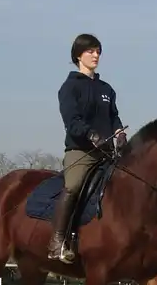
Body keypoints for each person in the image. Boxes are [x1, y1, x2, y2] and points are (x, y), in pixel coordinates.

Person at [48, 33, 128, 263]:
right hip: (81, 152)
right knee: (72, 186)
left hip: (107, 154)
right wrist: (91, 134)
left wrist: (120, 133)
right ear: (77, 55)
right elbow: (71, 121)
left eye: (98, 51)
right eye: (90, 51)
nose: (96, 55)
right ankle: (57, 241)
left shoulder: (107, 89)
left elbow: (114, 117)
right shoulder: (69, 87)